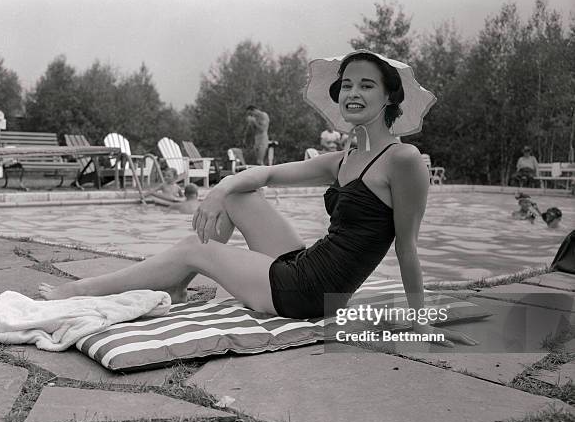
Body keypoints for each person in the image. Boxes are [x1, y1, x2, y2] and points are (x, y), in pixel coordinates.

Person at [39, 50, 475, 347]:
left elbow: (407, 247)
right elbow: (263, 174)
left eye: (366, 86)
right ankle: (178, 280)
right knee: (240, 193)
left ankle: (83, 289)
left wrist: (419, 322)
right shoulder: (345, 157)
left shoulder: (404, 160)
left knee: (196, 247)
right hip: (304, 266)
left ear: (388, 98)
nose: (352, 94)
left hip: (310, 294)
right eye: (346, 85)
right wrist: (222, 188)